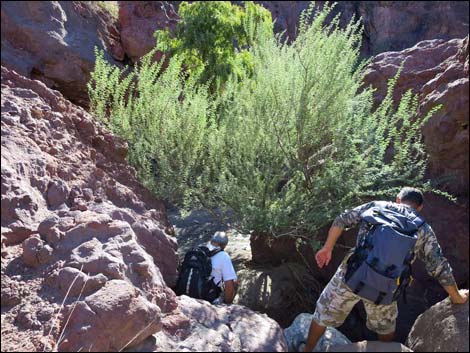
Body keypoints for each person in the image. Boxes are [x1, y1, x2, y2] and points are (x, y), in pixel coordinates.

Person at [302, 187, 469, 352]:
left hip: (351, 275)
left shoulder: (378, 206)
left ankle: (307, 349)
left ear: (398, 199)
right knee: (385, 327)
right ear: (420, 208)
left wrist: (327, 248)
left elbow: (341, 219)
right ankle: (384, 350)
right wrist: (456, 297)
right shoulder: (423, 229)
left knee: (322, 313)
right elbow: (439, 266)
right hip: (385, 287)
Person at [206, 231, 238, 304]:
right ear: (224, 245)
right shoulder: (223, 256)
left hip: (192, 292)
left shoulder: (201, 249)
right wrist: (228, 304)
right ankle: (227, 305)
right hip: (210, 298)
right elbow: (229, 283)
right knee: (234, 282)